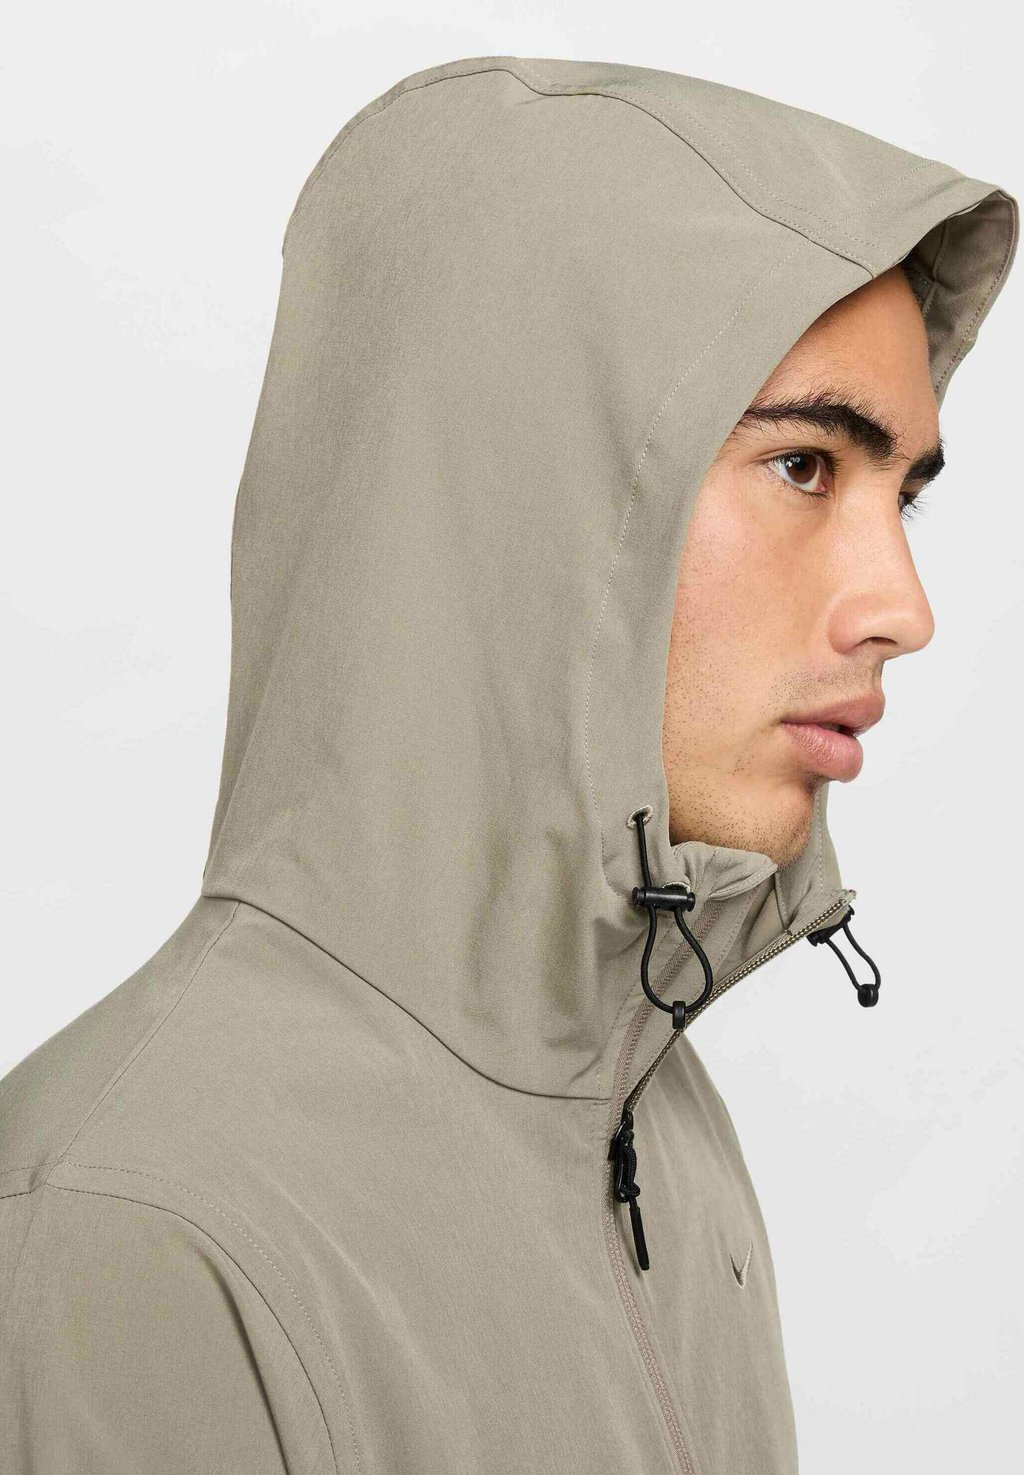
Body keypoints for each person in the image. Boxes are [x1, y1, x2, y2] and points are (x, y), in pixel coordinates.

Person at [0, 54, 1016, 1475]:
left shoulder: (653, 1118)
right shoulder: (133, 1234)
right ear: (536, 495)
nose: (902, 607)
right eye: (805, 467)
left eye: (902, 495)